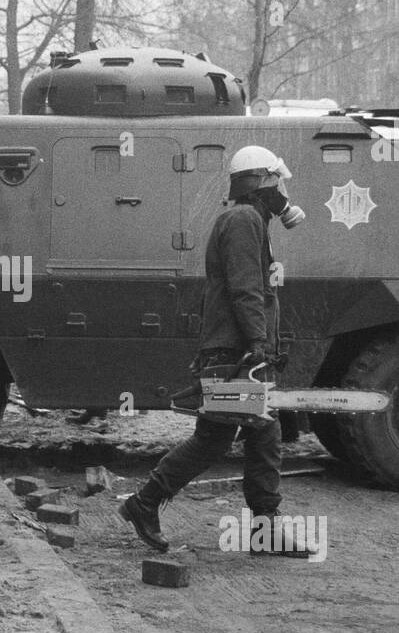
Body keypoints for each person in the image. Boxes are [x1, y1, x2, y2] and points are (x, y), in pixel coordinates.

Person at [119, 145, 309, 554]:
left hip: (234, 351)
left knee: (253, 431)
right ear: (259, 183)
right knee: (232, 435)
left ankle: (150, 504)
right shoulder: (243, 219)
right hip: (236, 354)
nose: (282, 192)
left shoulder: (248, 218)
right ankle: (145, 503)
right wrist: (258, 342)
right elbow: (246, 288)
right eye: (276, 182)